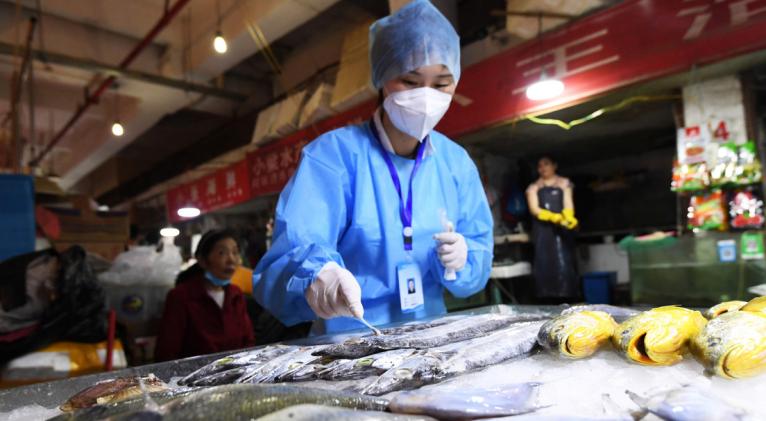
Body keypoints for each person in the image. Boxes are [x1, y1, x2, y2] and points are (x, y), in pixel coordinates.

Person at [253, 0, 493, 334]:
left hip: (431, 337)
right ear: (382, 77)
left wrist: (464, 260)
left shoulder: (456, 165)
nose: (426, 96)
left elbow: (475, 266)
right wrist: (317, 275)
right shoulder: (334, 156)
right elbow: (289, 254)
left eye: (441, 84)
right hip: (349, 344)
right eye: (410, 81)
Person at [155, 229, 254, 361]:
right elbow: (166, 352)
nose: (231, 260)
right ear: (202, 260)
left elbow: (248, 342)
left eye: (235, 252)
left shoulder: (236, 295)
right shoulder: (180, 297)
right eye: (222, 253)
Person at [525, 156, 579, 304]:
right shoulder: (533, 187)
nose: (543, 168)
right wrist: (551, 217)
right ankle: (547, 298)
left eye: (546, 164)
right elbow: (534, 209)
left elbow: (568, 204)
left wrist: (567, 217)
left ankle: (569, 296)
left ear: (555, 165)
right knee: (544, 260)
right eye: (540, 166)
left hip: (562, 229)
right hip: (543, 230)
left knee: (566, 259)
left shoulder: (564, 183)